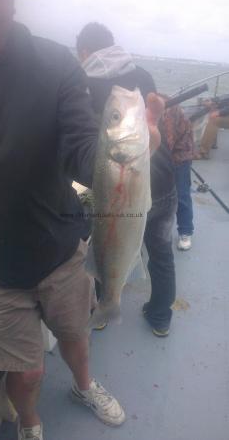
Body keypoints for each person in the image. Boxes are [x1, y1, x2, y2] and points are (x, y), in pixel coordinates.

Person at [0, 0, 126, 440]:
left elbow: (83, 154)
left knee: (77, 338)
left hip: (60, 251)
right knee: (25, 373)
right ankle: (31, 424)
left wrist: (122, 156)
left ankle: (83, 387)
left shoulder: (55, 62)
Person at [76, 22, 177, 338]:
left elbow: (89, 143)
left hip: (118, 189)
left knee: (105, 240)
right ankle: (160, 316)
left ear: (84, 51)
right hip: (163, 182)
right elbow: (152, 122)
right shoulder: (143, 74)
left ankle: (104, 309)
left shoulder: (85, 82)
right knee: (160, 251)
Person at [161, 103, 194, 250]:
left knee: (181, 195)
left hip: (180, 157)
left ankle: (185, 231)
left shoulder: (169, 111)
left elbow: (168, 141)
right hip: (162, 155)